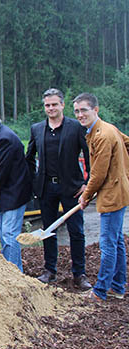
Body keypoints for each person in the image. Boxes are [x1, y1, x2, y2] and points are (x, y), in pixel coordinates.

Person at [26, 88, 91, 290]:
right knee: (48, 230)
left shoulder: (75, 127)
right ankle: (49, 271)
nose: (51, 108)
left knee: (76, 232)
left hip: (71, 188)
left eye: (54, 104)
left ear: (62, 105)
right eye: (47, 105)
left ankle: (79, 274)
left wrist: (87, 183)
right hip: (47, 188)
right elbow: (29, 158)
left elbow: (89, 155)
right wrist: (33, 182)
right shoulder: (37, 129)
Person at [75, 93, 129, 301]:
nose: (80, 115)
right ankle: (117, 287)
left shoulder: (102, 135)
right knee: (116, 241)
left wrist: (85, 196)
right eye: (77, 111)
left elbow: (98, 173)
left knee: (107, 244)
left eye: (84, 110)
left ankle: (101, 291)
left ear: (95, 110)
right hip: (118, 189)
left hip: (112, 195)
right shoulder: (107, 128)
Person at [0, 106, 32, 272]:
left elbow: (1, 172)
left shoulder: (4, 138)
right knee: (5, 234)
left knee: (9, 235)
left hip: (13, 194)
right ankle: (14, 270)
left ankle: (14, 273)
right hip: (7, 194)